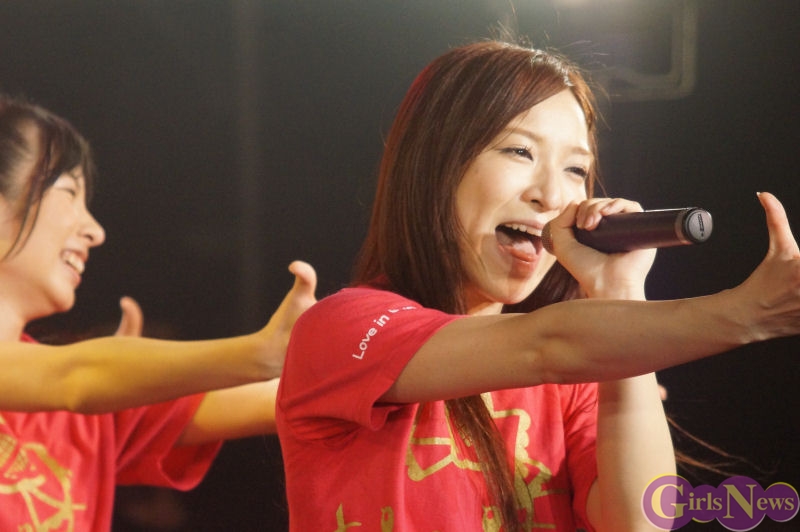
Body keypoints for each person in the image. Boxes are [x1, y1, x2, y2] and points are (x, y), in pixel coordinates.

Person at [276, 40, 800, 531]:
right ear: (435, 164)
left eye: (575, 169)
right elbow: (546, 345)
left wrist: (619, 295)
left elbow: (641, 521)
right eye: (519, 152)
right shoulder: (340, 330)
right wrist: (747, 314)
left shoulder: (576, 375)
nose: (552, 195)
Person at [0, 93, 317, 530]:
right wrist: (260, 352)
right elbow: (75, 376)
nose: (95, 230)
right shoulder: (79, 383)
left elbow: (290, 396)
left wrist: (372, 368)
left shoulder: (84, 414)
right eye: (69, 192)